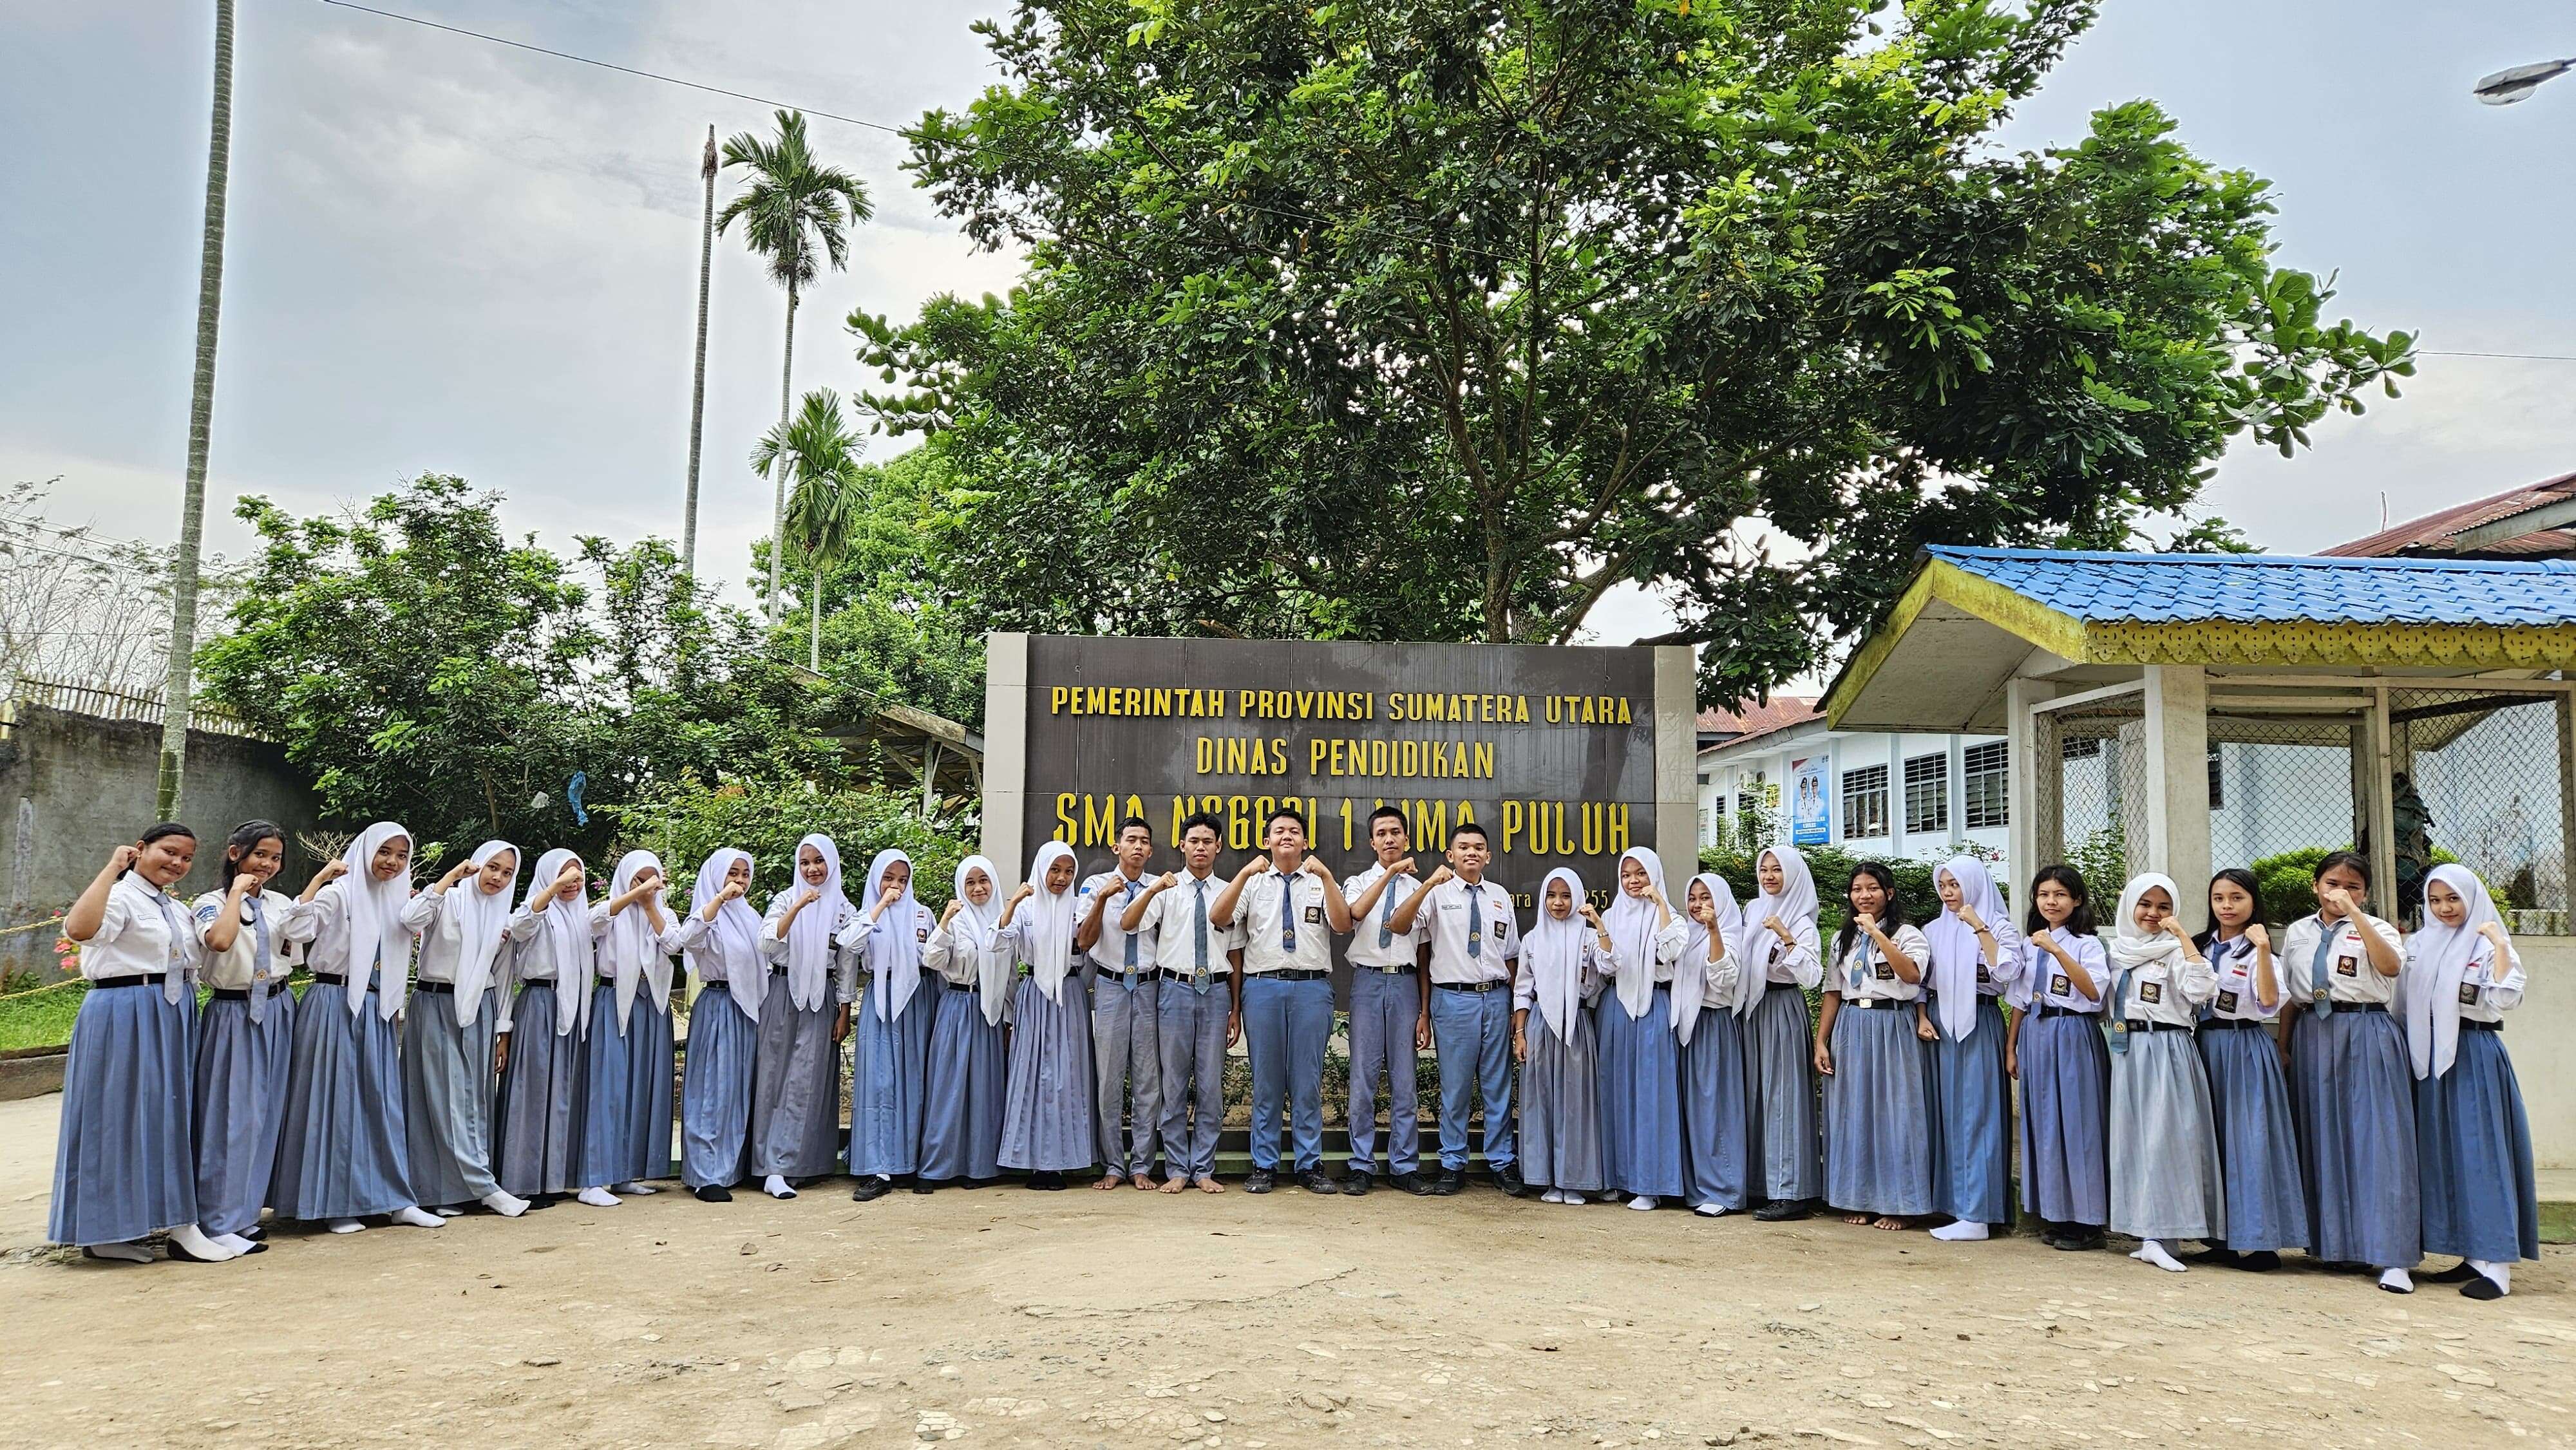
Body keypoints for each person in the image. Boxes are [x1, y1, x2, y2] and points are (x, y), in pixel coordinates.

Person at [50, 826, 243, 1263]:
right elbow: (80, 930)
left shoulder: (174, 908)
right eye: (168, 852)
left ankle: (180, 1225)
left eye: (187, 858)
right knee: (114, 1118)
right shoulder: (120, 896)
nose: (177, 863)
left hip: (171, 1013)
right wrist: (112, 869)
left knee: (169, 1118)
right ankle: (104, 1231)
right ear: (141, 850)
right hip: (124, 1010)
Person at [270, 822, 444, 1234]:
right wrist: (318, 881)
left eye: (402, 855)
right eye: (385, 852)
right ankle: (335, 1201)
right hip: (334, 1004)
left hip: (379, 1009)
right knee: (336, 1102)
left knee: (380, 1103)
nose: (393, 862)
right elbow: (295, 930)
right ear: (365, 851)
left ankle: (393, 1199)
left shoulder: (396, 900)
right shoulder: (341, 893)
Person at [2281, 850, 2418, 1292]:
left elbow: (2391, 968)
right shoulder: (2300, 932)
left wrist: (2356, 914)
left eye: (2352, 886)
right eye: (2332, 883)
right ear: (2315, 885)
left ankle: (2391, 1255)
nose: (2339, 891)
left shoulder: (2376, 927)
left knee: (2378, 1140)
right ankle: (2336, 1247)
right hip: (2314, 1036)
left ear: (2366, 892)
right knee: (2323, 1137)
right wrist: (2284, 1046)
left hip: (2367, 1031)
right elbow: (2289, 994)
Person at [2405, 865, 2536, 1300]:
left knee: (2482, 1156)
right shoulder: (2421, 943)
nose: (2444, 909)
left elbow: (2505, 999)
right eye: (2436, 900)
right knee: (2445, 1156)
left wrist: (2500, 944)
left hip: (2475, 1056)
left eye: (2453, 899)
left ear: (2472, 897)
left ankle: (2497, 1265)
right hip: (2430, 1061)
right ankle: (2469, 1254)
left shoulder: (2489, 941)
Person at [189, 820, 314, 1254]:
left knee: (266, 1114)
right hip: (233, 1011)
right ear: (235, 852)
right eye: (260, 854)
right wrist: (238, 894)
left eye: (276, 857)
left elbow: (296, 947)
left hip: (280, 1007)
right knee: (230, 1116)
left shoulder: (281, 903)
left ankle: (244, 1215)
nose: (267, 864)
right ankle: (217, 1219)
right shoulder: (210, 903)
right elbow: (219, 943)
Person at [1215, 807, 1350, 1194]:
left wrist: (1326, 877)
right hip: (1264, 988)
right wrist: (1243, 873)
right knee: (1267, 1081)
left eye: (1294, 831)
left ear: (1306, 841)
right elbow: (1219, 917)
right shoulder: (1254, 883)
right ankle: (1264, 1164)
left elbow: (1342, 925)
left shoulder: (1318, 881)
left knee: (1306, 1081)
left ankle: (1310, 1164)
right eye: (1279, 831)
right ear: (1267, 841)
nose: (1287, 836)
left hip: (1311, 988)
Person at [397, 839, 529, 1218]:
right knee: (437, 1096)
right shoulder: (450, 900)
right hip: (435, 1003)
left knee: (473, 1098)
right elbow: (410, 919)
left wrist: (504, 1029)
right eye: (493, 868)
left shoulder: (501, 916)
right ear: (478, 865)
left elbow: (503, 977)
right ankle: (475, 1187)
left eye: (508, 873)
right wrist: (450, 877)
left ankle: (459, 1189)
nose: (499, 878)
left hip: (481, 1008)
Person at [1390, 820, 1521, 1198]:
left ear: (1488, 856)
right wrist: (1429, 883)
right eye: (1463, 847)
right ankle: (1452, 1163)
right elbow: (1399, 927)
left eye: (1479, 847)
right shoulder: (1436, 894)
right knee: (1456, 1087)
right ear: (1450, 854)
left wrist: (1512, 1007)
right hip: (1453, 999)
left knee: (1498, 1085)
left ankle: (1501, 1161)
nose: (1471, 853)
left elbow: (1510, 955)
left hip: (1495, 997)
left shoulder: (1500, 897)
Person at [2103, 873, 2224, 1273]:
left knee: (2167, 1139)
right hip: (2126, 1049)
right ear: (2130, 907)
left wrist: (2182, 937)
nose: (2153, 914)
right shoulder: (2116, 952)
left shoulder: (2175, 951)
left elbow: (2203, 989)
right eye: (2146, 905)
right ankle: (2147, 1231)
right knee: (2133, 1139)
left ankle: (2162, 1234)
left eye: (2164, 907)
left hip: (2167, 1048)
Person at [2193, 869, 2307, 1270]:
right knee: (2213, 1140)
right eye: (2219, 898)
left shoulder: (2264, 952)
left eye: (2237, 898)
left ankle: (2262, 1241)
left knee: (2252, 1140)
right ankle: (2219, 1238)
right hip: (2203, 1047)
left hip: (2244, 1047)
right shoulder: (2196, 947)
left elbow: (2271, 1001)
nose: (2227, 906)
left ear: (2253, 902)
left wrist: (2261, 950)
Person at [1814, 862, 1937, 1230]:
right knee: (1853, 1111)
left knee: (1895, 1112)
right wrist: (1822, 1040)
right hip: (1852, 1023)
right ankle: (1857, 1198)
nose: (1864, 896)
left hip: (1892, 1024)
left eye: (1872, 889)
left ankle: (1897, 1203)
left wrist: (1878, 936)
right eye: (1857, 890)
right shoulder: (1842, 939)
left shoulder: (1909, 934)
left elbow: (1913, 976)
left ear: (1890, 893)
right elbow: (1834, 992)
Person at [1125, 813, 1242, 1194]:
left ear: (1219, 847)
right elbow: (1130, 924)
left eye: (1208, 841)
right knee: (1172, 1084)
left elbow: (1237, 955)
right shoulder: (1167, 890)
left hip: (1216, 993)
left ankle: (1203, 1168)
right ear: (1182, 845)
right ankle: (1177, 1166)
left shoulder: (1230, 893)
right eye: (1194, 841)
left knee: (1210, 1085)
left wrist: (1235, 1009)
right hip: (1174, 991)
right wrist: (1152, 889)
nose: (1201, 848)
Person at [2009, 864, 2110, 1251]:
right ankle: (2055, 1212)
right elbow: (2020, 997)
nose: (2051, 902)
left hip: (2072, 1033)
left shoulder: (2088, 944)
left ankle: (2087, 1222)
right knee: (2046, 1124)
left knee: (2079, 1123)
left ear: (2077, 900)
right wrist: (2011, 1045)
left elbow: (2093, 992)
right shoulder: (2028, 943)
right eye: (2044, 895)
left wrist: (2057, 950)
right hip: (2037, 1032)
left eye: (2060, 895)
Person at [1922, 856, 2021, 1243]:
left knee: (1978, 1115)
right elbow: (1920, 981)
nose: (1948, 893)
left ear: (1975, 884)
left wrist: (1980, 928)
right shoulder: (1934, 929)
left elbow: (2009, 973)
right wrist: (1921, 1015)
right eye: (1944, 885)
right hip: (1939, 1026)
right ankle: (1952, 1205)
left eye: (1956, 885)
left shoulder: (1999, 926)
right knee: (1946, 1115)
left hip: (1980, 1023)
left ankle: (1978, 1213)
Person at [753, 834, 858, 1200]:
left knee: (807, 1080)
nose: (812, 869)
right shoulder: (784, 899)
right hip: (782, 994)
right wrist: (797, 907)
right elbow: (766, 943)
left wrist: (844, 1013)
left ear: (831, 863)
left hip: (822, 999)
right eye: (805, 862)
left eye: (819, 861)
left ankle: (796, 1164)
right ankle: (768, 1166)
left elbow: (847, 965)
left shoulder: (845, 910)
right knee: (773, 1078)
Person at [493, 849, 598, 1205]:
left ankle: (555, 1179)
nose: (573, 882)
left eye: (578, 875)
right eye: (565, 874)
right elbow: (519, 927)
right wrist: (552, 890)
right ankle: (523, 1180)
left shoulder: (582, 916)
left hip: (573, 1005)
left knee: (562, 1092)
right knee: (533, 1090)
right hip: (539, 1003)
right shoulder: (536, 911)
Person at [575, 850, 679, 1208]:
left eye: (654, 879)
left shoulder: (664, 914)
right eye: (640, 879)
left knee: (640, 1087)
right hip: (613, 1000)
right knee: (609, 1087)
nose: (648, 886)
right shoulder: (611, 912)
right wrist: (634, 896)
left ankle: (625, 1173)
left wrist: (651, 906)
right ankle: (594, 1178)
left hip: (652, 1004)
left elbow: (674, 944)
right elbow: (592, 923)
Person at [1337, 807, 1432, 1196]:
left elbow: (1424, 953)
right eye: (1382, 833)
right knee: (1363, 1077)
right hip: (1368, 982)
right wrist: (1391, 874)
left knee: (1404, 1079)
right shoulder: (1358, 882)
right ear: (1371, 842)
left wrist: (1425, 1011)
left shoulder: (1424, 890)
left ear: (1407, 839)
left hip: (1406, 985)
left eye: (1396, 832)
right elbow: (1354, 915)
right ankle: (1361, 1164)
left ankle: (1404, 1164)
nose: (1390, 839)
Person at [840, 849, 942, 1201]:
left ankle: (912, 1162)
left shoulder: (922, 914)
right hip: (880, 998)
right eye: (888, 878)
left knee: (914, 1079)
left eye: (902, 879)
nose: (897, 885)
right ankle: (878, 1168)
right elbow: (849, 945)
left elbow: (933, 958)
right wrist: (881, 905)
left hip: (916, 999)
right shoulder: (866, 915)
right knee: (879, 1082)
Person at [996, 840, 1096, 1189]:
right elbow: (998, 945)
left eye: (1069, 871)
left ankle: (1063, 1162)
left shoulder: (1079, 908)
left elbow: (1087, 949)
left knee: (1068, 1076)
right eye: (1055, 870)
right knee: (1034, 1075)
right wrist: (1011, 904)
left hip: (1069, 995)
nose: (1061, 878)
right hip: (1035, 995)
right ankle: (1032, 1161)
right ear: (1041, 869)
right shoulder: (1025, 909)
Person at [1594, 846, 1686, 1210]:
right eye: (1627, 875)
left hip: (1654, 1007)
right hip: (1616, 1008)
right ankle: (1618, 1179)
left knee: (1652, 1094)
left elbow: (1671, 952)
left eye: (1641, 874)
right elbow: (1604, 966)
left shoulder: (1672, 916)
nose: (1634, 881)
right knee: (1616, 1092)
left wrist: (1660, 904)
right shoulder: (1611, 915)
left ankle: (1651, 1183)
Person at [1737, 845, 1823, 1221]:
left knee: (1783, 1097)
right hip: (1751, 1011)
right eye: (1764, 869)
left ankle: (1791, 1191)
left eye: (1777, 870)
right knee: (1755, 1096)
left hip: (1783, 1008)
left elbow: (1812, 978)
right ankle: (1761, 1185)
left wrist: (1787, 937)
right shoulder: (1754, 910)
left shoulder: (1803, 921)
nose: (1769, 877)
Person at [672, 849, 763, 1201]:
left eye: (744, 874)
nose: (739, 881)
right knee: (710, 1088)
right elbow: (688, 940)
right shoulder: (707, 915)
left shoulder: (751, 917)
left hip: (746, 1009)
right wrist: (719, 900)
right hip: (717, 1005)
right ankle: (704, 1174)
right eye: (732, 874)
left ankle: (728, 1168)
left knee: (735, 1089)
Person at [1077, 818, 1164, 1191]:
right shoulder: (1095, 886)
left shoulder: (1161, 887)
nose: (1138, 847)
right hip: (1111, 987)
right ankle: (1113, 1164)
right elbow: (1084, 941)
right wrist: (1101, 901)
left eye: (1145, 841)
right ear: (1116, 846)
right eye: (1131, 840)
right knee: (1109, 1081)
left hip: (1148, 987)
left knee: (1148, 1082)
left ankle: (1141, 1164)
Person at [1514, 868, 1609, 1206]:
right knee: (1542, 1100)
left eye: (1566, 895)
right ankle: (1548, 1178)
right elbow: (1523, 990)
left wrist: (1599, 926)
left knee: (1576, 1102)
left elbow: (1610, 967)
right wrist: (1521, 1034)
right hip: (1540, 1025)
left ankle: (1574, 1179)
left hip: (1578, 1025)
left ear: (1578, 898)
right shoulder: (1532, 940)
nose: (1558, 902)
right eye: (1552, 895)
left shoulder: (1587, 938)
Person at [920, 855, 1012, 1191]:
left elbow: (1010, 976)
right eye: (970, 882)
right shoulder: (957, 921)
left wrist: (1009, 1019)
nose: (978, 888)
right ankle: (937, 1167)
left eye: (983, 881)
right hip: (958, 1007)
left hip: (989, 1010)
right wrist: (944, 921)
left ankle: (978, 1167)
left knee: (983, 1090)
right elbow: (932, 959)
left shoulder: (1003, 920)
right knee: (949, 1088)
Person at [1674, 873, 1748, 1218]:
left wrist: (1715, 929)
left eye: (1707, 897)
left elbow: (1724, 978)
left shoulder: (1731, 935)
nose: (1699, 905)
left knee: (1716, 1108)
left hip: (1715, 1024)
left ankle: (1724, 1189)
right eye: (1693, 898)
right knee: (1694, 1110)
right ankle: (1699, 1187)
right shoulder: (1687, 934)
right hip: (1689, 1026)